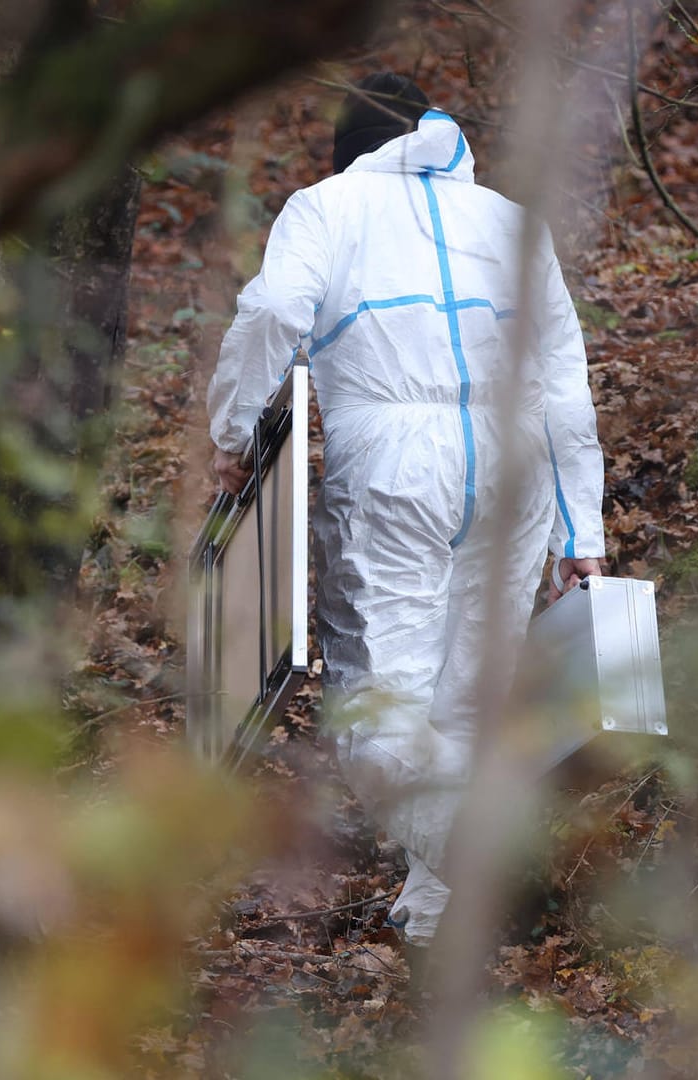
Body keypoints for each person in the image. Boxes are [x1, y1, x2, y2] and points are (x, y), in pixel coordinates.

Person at [206, 73, 606, 948]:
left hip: (391, 462)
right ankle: (435, 926)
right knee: (468, 705)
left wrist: (235, 434)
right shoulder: (510, 218)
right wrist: (584, 530)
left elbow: (274, 308)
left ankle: (482, 855)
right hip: (518, 462)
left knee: (379, 706)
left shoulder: (326, 206)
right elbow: (566, 382)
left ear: (346, 146)